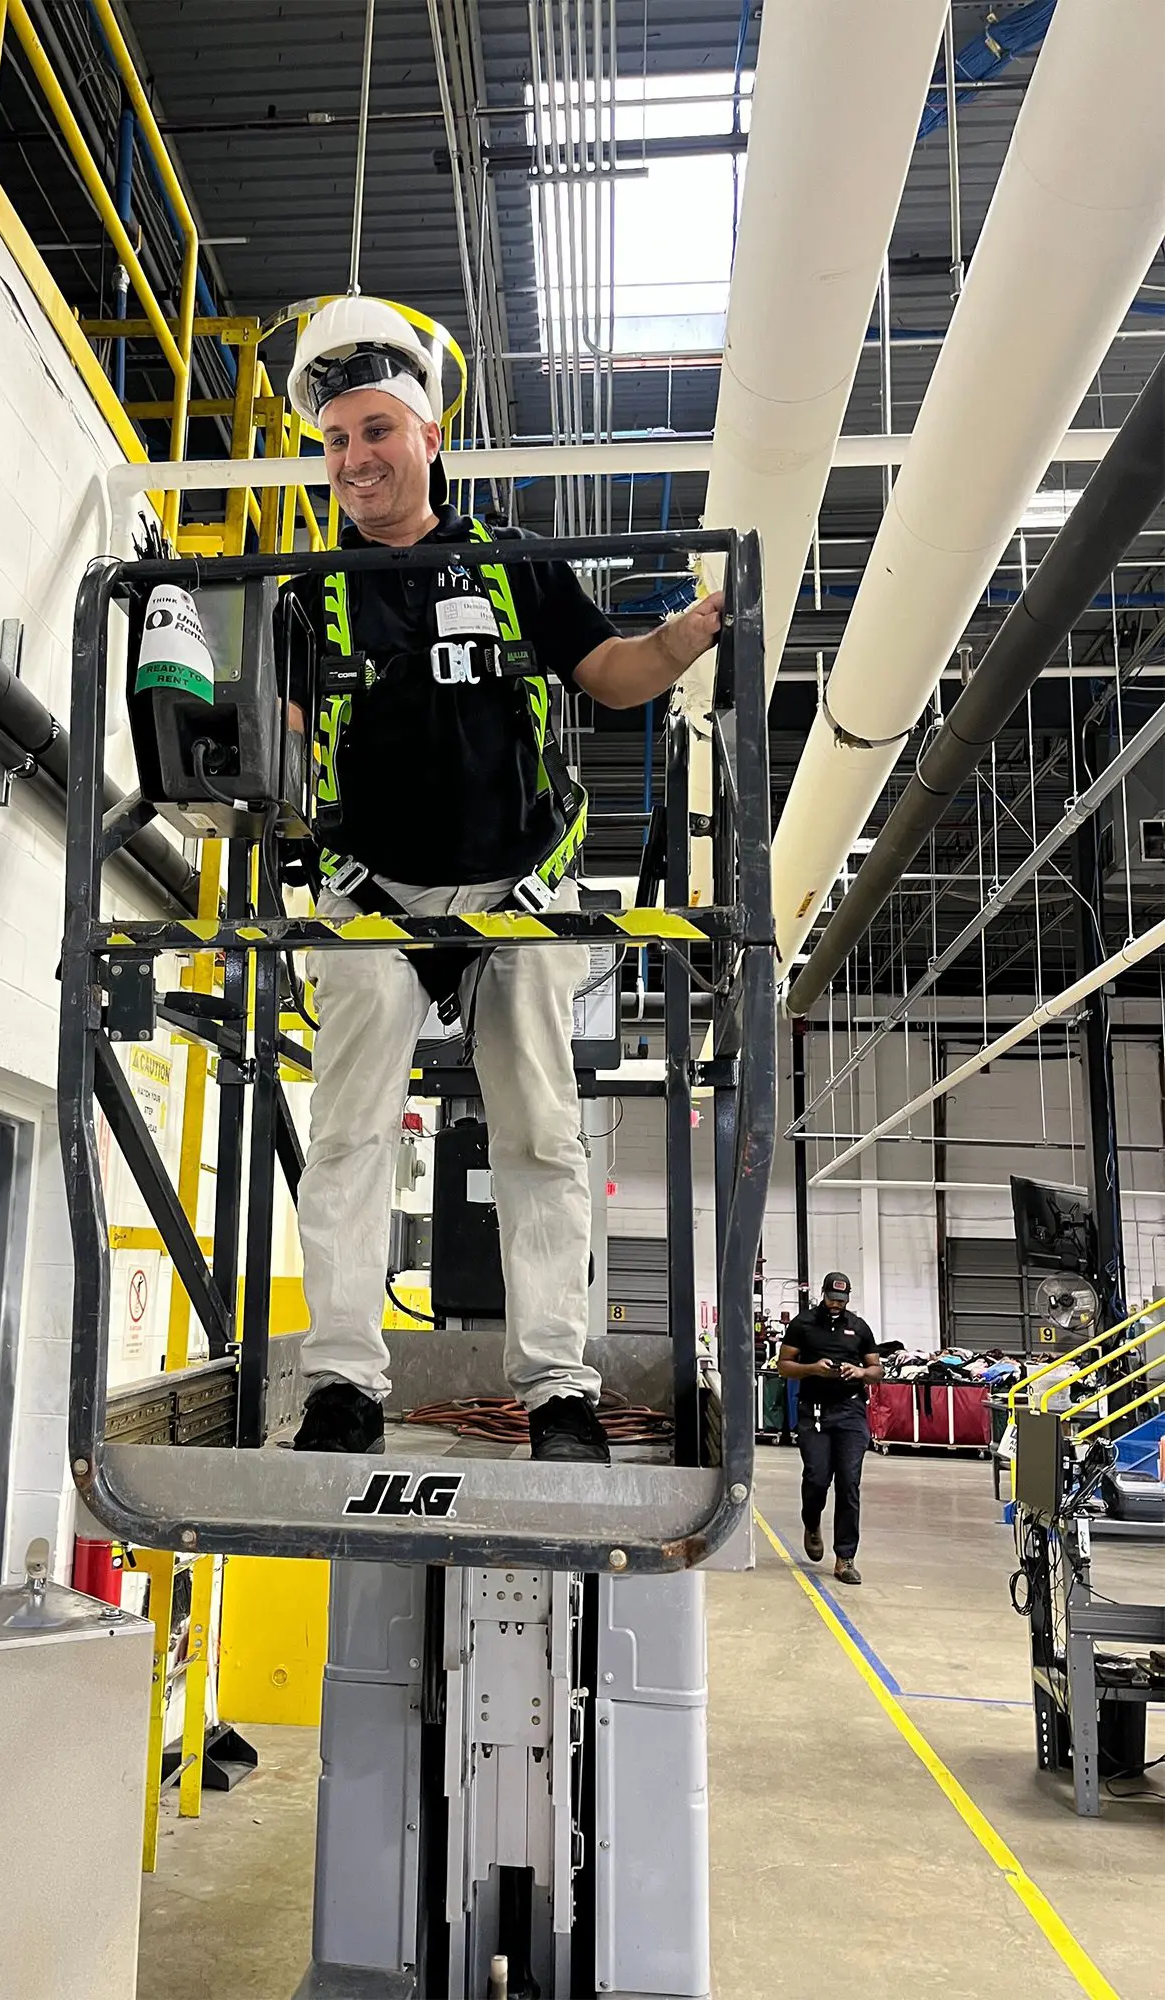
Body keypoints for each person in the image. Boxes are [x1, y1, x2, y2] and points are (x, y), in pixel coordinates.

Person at [276, 295, 724, 1462]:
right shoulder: (302, 589)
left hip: (518, 889)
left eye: (376, 431)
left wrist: (684, 638)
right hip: (368, 896)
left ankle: (559, 1388)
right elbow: (267, 745)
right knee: (348, 1132)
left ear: (428, 437)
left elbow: (612, 675)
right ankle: (341, 1384)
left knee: (540, 1133)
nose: (355, 459)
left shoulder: (516, 562)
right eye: (335, 442)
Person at [777, 1272, 882, 1584]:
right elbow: (784, 1366)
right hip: (815, 1412)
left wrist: (860, 1371)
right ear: (822, 1295)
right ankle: (811, 1522)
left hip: (850, 1412)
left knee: (849, 1484)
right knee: (817, 1478)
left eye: (842, 1300)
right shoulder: (803, 1324)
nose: (837, 1305)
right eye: (832, 1299)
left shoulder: (859, 1327)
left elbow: (877, 1370)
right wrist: (813, 1369)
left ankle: (845, 1558)